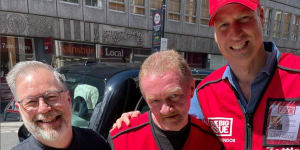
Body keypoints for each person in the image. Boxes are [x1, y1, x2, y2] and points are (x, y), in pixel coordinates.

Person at [113, 0, 300, 149]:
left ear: (261, 16)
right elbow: (175, 123)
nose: (235, 33)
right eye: (224, 24)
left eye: (244, 18)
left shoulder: (296, 76)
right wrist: (135, 122)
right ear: (215, 34)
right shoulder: (205, 93)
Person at [109, 50, 223, 150]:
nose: (166, 110)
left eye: (174, 96)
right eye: (155, 101)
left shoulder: (211, 142)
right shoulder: (122, 140)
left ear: (192, 88)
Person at [6, 61, 110, 150]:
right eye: (31, 102)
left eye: (51, 97)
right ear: (20, 109)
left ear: (68, 99)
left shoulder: (96, 142)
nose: (43, 108)